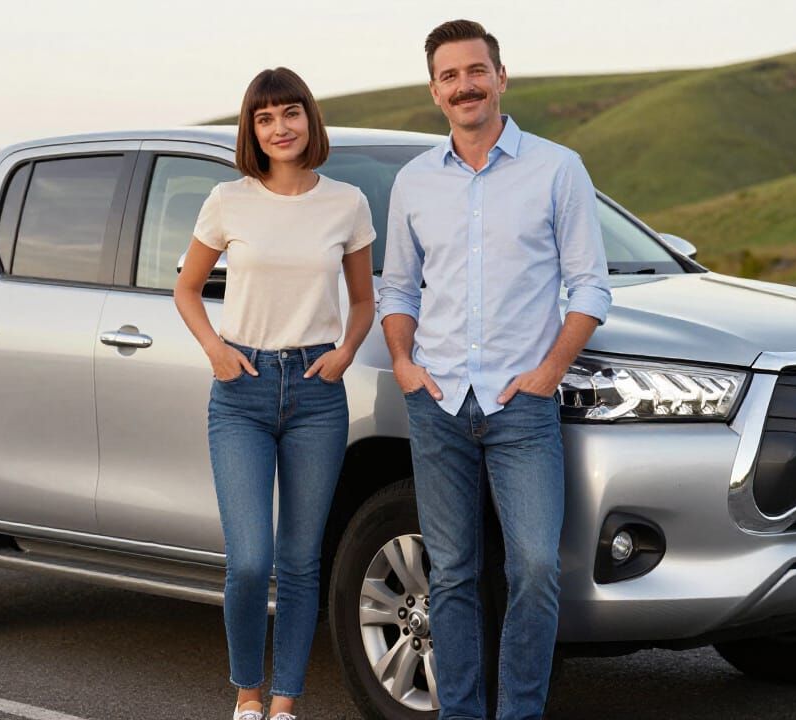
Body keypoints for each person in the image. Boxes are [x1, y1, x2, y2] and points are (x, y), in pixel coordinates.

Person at [378, 19, 612, 720]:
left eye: (475, 71)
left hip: (523, 404)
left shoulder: (557, 168)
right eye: (449, 76)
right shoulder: (415, 181)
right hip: (437, 402)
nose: (465, 86)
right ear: (434, 91)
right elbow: (396, 288)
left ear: (501, 78)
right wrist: (402, 363)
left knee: (536, 569)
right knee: (450, 575)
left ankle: (519, 713)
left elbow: (590, 287)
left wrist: (547, 374)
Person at [174, 67, 377, 720]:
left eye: (290, 113)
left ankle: (285, 701)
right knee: (250, 561)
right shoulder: (228, 200)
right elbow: (186, 289)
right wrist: (216, 350)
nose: (280, 127)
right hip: (242, 394)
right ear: (251, 131)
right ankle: (247, 693)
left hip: (318, 394)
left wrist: (344, 353)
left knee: (299, 561)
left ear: (309, 120)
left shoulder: (345, 203)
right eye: (265, 118)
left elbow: (365, 299)